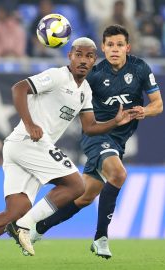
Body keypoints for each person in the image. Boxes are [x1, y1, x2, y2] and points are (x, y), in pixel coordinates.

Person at [0, 37, 137, 266]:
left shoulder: (85, 90)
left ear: (94, 60)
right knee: (76, 185)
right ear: (70, 56)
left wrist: (115, 122)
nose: (83, 60)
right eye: (79, 55)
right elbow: (19, 88)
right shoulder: (57, 76)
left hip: (21, 148)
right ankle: (23, 225)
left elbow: (89, 127)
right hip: (29, 141)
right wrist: (29, 123)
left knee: (16, 209)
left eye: (88, 56)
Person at [29, 25, 163, 259]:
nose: (114, 49)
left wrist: (145, 111)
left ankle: (39, 228)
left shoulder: (140, 68)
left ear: (127, 48)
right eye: (110, 45)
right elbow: (71, 93)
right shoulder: (95, 74)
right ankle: (101, 238)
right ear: (103, 48)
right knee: (119, 175)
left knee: (84, 196)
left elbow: (158, 104)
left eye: (119, 45)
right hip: (97, 135)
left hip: (118, 142)